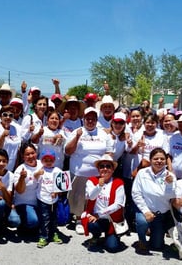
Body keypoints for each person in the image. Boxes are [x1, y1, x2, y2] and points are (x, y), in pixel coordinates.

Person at [65, 107, 114, 235]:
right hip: (79, 172)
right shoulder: (77, 131)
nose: (90, 121)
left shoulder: (104, 134)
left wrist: (106, 170)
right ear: (84, 119)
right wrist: (77, 137)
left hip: (98, 174)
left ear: (97, 120)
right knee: (78, 197)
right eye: (88, 119)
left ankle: (93, 219)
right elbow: (68, 151)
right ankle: (79, 220)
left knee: (94, 198)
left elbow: (109, 152)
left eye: (93, 119)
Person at [132, 148, 176, 254]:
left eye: (162, 158)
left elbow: (171, 197)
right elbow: (136, 193)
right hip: (145, 211)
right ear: (150, 160)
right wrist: (146, 211)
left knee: (157, 246)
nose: (159, 161)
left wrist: (169, 185)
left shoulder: (171, 176)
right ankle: (142, 240)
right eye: (156, 158)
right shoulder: (142, 173)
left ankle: (152, 231)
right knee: (142, 222)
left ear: (166, 161)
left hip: (160, 215)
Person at [81, 154, 126, 253]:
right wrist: (98, 186)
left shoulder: (118, 182)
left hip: (111, 219)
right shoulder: (91, 181)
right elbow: (91, 197)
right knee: (91, 224)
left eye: (108, 166)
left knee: (112, 248)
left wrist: (99, 214)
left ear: (113, 169)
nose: (105, 169)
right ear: (98, 169)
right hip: (96, 218)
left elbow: (118, 204)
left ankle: (111, 235)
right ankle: (96, 235)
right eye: (102, 166)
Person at [34, 149, 64, 248]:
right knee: (44, 218)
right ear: (41, 160)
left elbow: (62, 186)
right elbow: (35, 178)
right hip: (43, 198)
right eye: (45, 160)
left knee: (54, 217)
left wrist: (57, 192)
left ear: (54, 160)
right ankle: (43, 236)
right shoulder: (40, 170)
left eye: (50, 160)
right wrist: (38, 173)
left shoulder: (58, 171)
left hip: (54, 199)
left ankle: (54, 233)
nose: (48, 162)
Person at [11, 143, 42, 234]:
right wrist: (22, 178)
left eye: (32, 153)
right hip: (25, 203)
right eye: (27, 154)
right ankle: (23, 224)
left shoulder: (42, 163)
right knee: (33, 222)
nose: (31, 156)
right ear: (22, 156)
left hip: (41, 202)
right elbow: (19, 191)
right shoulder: (20, 169)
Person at [0, 105, 22, 172]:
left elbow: (17, 150)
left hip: (10, 167)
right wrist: (3, 135)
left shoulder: (16, 129)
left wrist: (16, 166)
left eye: (11, 115)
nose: (8, 117)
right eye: (5, 114)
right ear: (1, 116)